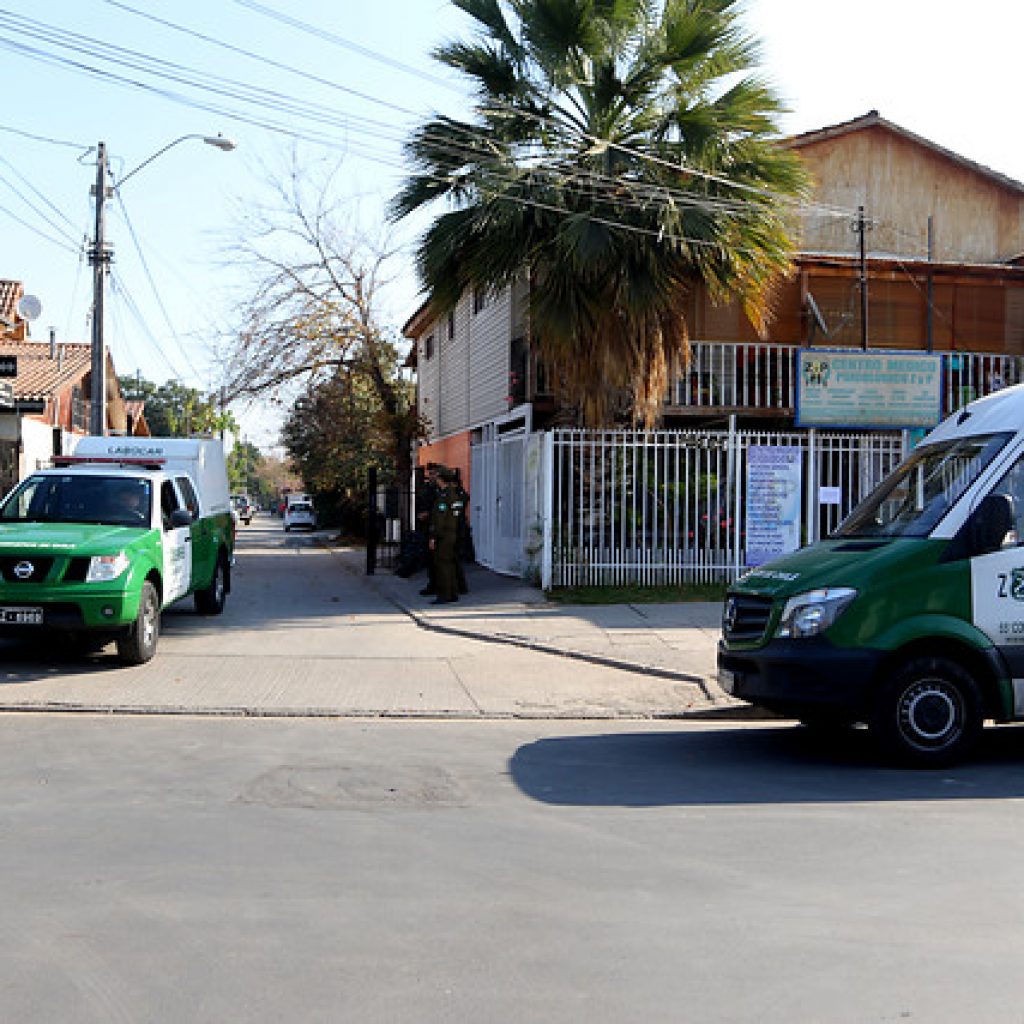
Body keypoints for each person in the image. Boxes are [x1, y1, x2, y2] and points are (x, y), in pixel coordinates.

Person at [429, 467, 466, 604]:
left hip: (444, 534)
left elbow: (440, 519)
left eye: (437, 478)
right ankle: (452, 592)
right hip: (453, 532)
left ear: (441, 479)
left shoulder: (444, 496)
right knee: (449, 563)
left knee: (442, 564)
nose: (435, 480)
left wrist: (433, 536)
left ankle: (444, 594)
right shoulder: (454, 494)